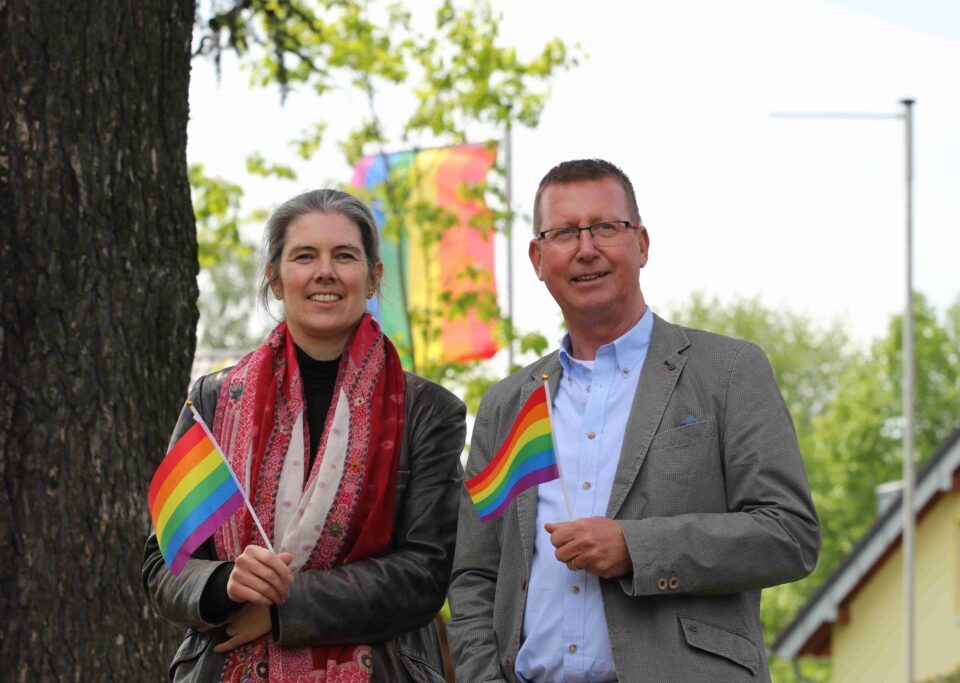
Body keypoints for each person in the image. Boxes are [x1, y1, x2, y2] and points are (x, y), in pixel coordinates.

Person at [447, 159, 820, 683]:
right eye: (564, 233)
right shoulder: (507, 405)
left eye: (605, 227)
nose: (586, 248)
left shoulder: (728, 371)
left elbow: (790, 534)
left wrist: (636, 548)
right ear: (537, 258)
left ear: (641, 244)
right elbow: (474, 573)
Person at [143, 189, 466, 682]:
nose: (325, 272)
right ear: (275, 279)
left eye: (345, 256)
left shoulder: (426, 411)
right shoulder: (213, 402)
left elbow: (426, 572)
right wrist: (225, 582)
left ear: (373, 277)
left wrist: (282, 607)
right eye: (305, 256)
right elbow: (165, 563)